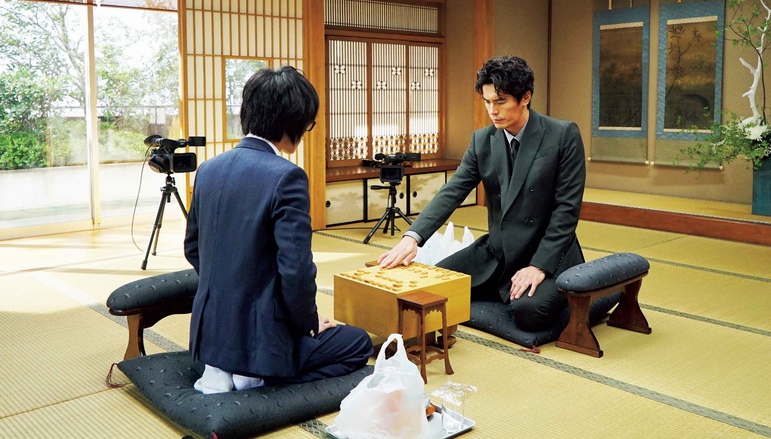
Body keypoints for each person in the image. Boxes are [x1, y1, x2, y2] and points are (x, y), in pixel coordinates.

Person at [185, 66, 373, 394]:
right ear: (293, 121)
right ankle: (260, 378)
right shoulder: (287, 176)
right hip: (261, 339)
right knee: (358, 342)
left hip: (209, 336)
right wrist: (309, 325)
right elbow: (296, 271)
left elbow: (192, 248)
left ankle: (224, 370)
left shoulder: (208, 169)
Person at [378, 55, 586, 332]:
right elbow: (452, 191)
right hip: (497, 252)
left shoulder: (562, 135)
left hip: (546, 251)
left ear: (525, 97)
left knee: (528, 313)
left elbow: (567, 210)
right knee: (432, 286)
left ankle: (586, 293)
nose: (492, 110)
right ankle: (500, 286)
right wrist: (412, 237)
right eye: (487, 102)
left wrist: (539, 266)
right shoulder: (482, 140)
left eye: (500, 101)